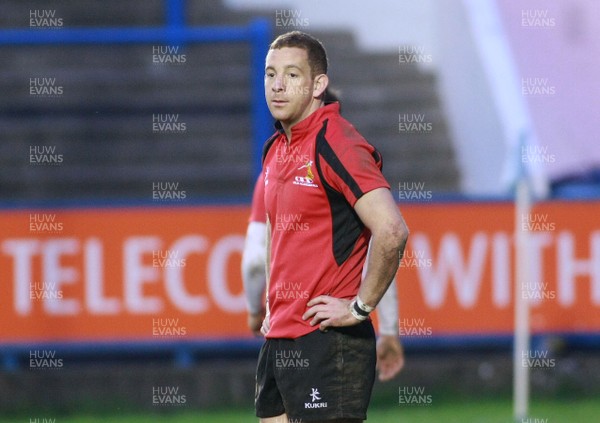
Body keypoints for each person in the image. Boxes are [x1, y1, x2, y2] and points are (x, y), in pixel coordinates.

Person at [255, 31, 409, 423]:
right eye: (270, 74)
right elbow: (280, 236)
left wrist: (360, 307)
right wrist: (273, 305)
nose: (277, 85)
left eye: (292, 75)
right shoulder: (275, 149)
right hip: (280, 338)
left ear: (318, 84)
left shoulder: (336, 141)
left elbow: (392, 231)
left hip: (329, 343)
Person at [242, 170, 405, 383]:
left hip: (284, 328)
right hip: (334, 327)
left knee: (280, 414)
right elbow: (382, 248)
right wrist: (388, 330)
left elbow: (254, 261)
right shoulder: (347, 165)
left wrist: (256, 311)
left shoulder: (272, 173)